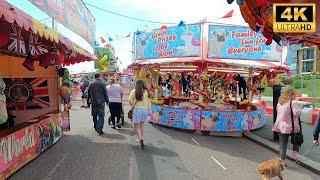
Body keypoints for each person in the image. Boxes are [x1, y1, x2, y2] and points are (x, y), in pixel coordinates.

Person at [272, 86, 302, 165]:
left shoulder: (280, 102)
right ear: (291, 94)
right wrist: (300, 109)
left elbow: (278, 112)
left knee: (282, 144)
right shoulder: (293, 103)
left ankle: (282, 161)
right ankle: (295, 155)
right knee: (297, 139)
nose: (295, 95)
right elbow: (297, 113)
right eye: (294, 93)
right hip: (291, 126)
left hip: (280, 125)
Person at [129, 80, 150, 149]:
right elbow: (148, 101)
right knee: (141, 125)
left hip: (137, 110)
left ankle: (140, 139)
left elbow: (130, 100)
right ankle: (140, 138)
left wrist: (132, 104)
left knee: (137, 126)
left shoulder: (134, 91)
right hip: (144, 110)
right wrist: (149, 110)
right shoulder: (146, 92)